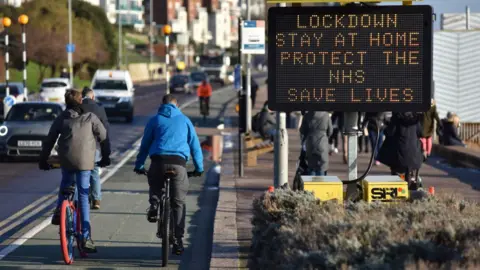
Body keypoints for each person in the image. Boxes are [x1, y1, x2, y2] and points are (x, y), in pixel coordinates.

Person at [39, 89, 111, 253]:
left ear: (66, 102)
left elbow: (49, 140)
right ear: (81, 102)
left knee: (65, 183)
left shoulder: (62, 118)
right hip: (85, 162)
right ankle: (85, 237)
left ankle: (59, 210)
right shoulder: (90, 117)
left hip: (66, 161)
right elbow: (104, 138)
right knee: (84, 196)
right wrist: (105, 157)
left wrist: (43, 160)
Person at [133, 94, 203, 255]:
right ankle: (178, 241)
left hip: (158, 161)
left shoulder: (154, 120)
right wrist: (199, 168)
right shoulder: (185, 120)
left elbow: (145, 145)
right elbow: (195, 146)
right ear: (176, 105)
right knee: (178, 202)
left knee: (155, 182)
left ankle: (155, 204)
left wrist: (139, 165)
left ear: (162, 105)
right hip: (178, 164)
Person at [81, 87, 111, 209]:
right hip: (93, 145)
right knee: (93, 171)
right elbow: (105, 129)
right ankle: (96, 199)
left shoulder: (76, 107)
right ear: (92, 97)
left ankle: (73, 201)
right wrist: (106, 154)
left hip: (75, 145)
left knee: (76, 173)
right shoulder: (98, 108)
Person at [377, 112, 424, 190]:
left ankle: (396, 186)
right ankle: (410, 182)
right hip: (414, 158)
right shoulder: (415, 119)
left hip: (398, 158)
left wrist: (386, 126)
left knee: (391, 143)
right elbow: (421, 133)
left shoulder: (396, 118)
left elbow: (390, 132)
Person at [300, 111, 333, 176]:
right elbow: (330, 131)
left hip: (310, 143)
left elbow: (302, 130)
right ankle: (320, 184)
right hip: (322, 143)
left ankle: (311, 185)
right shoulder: (326, 115)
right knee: (322, 166)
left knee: (311, 166)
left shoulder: (307, 115)